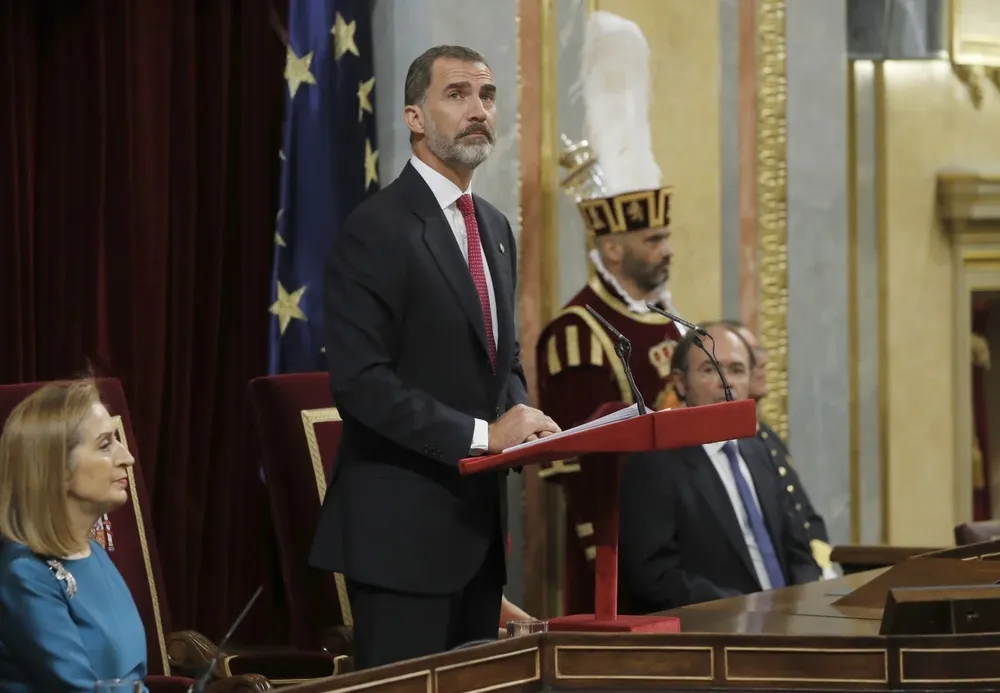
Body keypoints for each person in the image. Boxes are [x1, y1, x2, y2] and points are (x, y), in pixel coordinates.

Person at [309, 45, 560, 670]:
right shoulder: (377, 227)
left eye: (488, 95)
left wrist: (527, 421)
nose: (479, 110)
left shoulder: (495, 226)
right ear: (415, 116)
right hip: (401, 543)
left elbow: (499, 362)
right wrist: (484, 434)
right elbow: (363, 384)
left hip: (477, 539)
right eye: (458, 95)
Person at [535, 10, 684, 615]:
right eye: (654, 241)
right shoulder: (576, 334)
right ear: (614, 247)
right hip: (627, 546)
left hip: (692, 530)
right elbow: (582, 463)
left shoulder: (678, 322)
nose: (668, 249)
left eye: (667, 237)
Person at [619, 325, 821, 611]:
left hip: (792, 622)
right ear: (680, 383)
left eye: (737, 370)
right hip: (719, 632)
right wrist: (745, 609)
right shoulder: (654, 463)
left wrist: (802, 603)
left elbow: (799, 549)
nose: (726, 381)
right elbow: (654, 576)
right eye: (709, 370)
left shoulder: (759, 449)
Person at [0, 380, 148, 691]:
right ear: (56, 467)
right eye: (105, 444)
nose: (127, 458)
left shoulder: (92, 552)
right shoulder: (23, 573)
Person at [722, 320, 836, 578]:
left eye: (759, 353)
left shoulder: (765, 437)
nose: (761, 363)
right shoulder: (722, 449)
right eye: (749, 357)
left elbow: (803, 516)